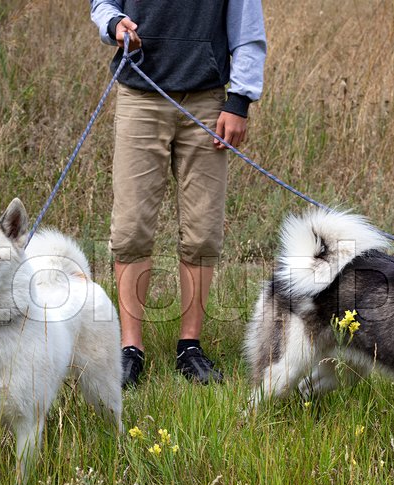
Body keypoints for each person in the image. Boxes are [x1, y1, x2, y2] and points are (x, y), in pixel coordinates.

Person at [90, 1, 267, 387]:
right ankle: (130, 349)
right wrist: (114, 23)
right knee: (131, 230)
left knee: (203, 232)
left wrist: (240, 100)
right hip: (139, 96)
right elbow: (103, 4)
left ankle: (190, 348)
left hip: (207, 104)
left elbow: (248, 32)